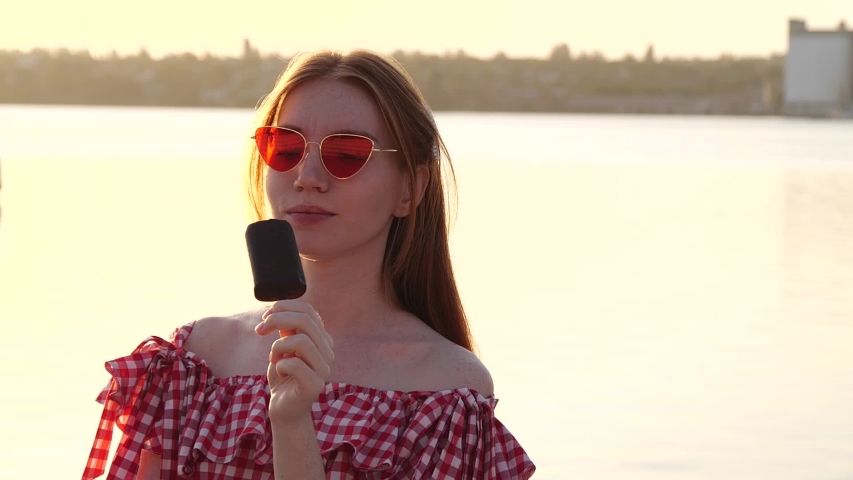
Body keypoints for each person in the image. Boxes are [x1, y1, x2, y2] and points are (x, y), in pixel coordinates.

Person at [82, 49, 535, 479]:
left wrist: (293, 424)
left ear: (410, 189)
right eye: (285, 147)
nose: (307, 177)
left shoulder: (445, 390)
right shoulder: (193, 361)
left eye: (346, 154)